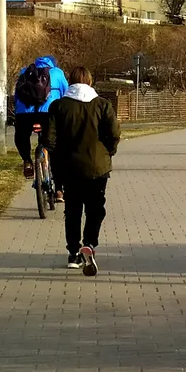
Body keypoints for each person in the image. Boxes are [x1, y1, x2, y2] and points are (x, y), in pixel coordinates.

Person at [43, 66, 121, 275]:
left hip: (68, 168)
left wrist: (51, 158)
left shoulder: (58, 106)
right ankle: (90, 244)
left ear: (70, 82)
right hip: (97, 167)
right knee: (96, 209)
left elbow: (49, 139)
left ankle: (73, 253)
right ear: (89, 81)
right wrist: (108, 152)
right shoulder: (103, 105)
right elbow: (114, 133)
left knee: (73, 211)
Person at [14, 56, 68, 201]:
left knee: (21, 136)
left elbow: (17, 96)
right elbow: (66, 94)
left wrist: (19, 112)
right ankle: (58, 190)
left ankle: (27, 160)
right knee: (56, 148)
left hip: (24, 114)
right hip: (48, 113)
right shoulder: (57, 73)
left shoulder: (25, 71)